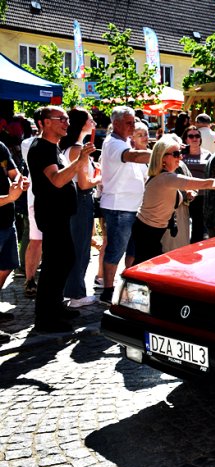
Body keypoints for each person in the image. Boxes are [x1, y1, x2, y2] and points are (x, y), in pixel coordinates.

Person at [131, 135, 215, 264]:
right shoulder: (166, 178)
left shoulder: (167, 177)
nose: (180, 157)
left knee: (147, 268)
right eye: (175, 154)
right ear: (163, 158)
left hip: (152, 230)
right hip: (147, 231)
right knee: (143, 269)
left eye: (180, 153)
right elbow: (204, 183)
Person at [28, 106, 94, 332]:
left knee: (66, 260)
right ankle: (45, 318)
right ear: (46, 122)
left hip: (60, 212)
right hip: (52, 213)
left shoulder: (51, 147)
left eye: (67, 119)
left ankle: (54, 306)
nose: (67, 122)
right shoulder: (42, 148)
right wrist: (80, 161)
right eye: (61, 119)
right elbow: (56, 180)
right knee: (53, 265)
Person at [99, 106, 152, 305]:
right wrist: (161, 154)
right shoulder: (113, 144)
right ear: (116, 124)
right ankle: (107, 291)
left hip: (132, 206)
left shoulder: (125, 142)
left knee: (132, 251)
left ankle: (128, 288)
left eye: (133, 122)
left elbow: (139, 169)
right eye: (129, 123)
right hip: (119, 207)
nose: (133, 126)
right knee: (116, 250)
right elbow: (135, 157)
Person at [61, 108, 101, 308]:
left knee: (77, 247)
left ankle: (73, 291)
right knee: (81, 248)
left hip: (76, 200)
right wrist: (100, 178)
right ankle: (76, 294)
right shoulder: (77, 149)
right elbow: (85, 184)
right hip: (81, 199)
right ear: (81, 124)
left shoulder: (71, 147)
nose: (94, 122)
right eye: (90, 119)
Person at [0, 134, 29, 341]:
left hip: (6, 220)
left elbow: (13, 172)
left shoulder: (0, 147)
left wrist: (20, 181)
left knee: (6, 266)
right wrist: (10, 197)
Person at [20, 109, 44, 299]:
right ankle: (30, 279)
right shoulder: (29, 143)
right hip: (37, 198)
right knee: (36, 241)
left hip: (48, 198)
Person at [181, 125, 211, 243]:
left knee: (198, 228)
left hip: (201, 196)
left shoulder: (207, 154)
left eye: (197, 136)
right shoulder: (180, 154)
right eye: (191, 136)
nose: (195, 138)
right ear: (186, 139)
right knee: (182, 226)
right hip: (183, 195)